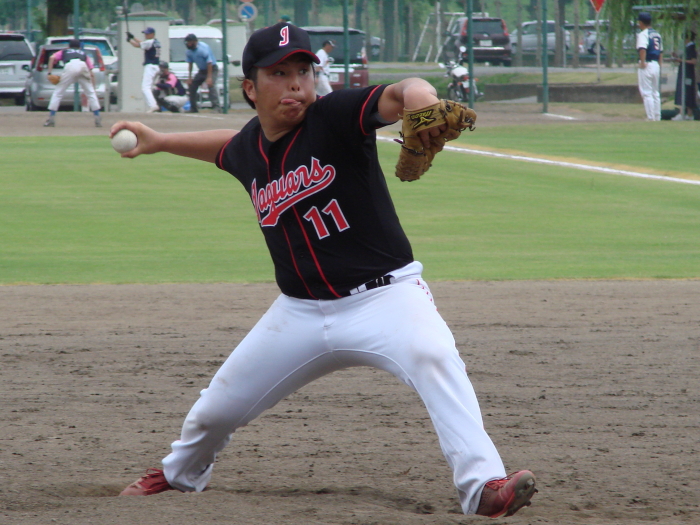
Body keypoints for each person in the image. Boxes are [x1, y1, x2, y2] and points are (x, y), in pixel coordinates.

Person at [111, 22, 536, 518]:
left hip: (386, 299)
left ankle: (484, 486)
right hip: (299, 314)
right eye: (278, 73)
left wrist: (421, 99)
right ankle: (179, 475)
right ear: (250, 88)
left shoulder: (334, 117)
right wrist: (160, 141)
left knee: (434, 355)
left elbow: (401, 92)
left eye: (303, 71)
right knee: (215, 409)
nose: (295, 83)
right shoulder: (248, 149)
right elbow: (225, 146)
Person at [43, 39, 101, 128]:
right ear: (79, 47)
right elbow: (92, 73)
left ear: (69, 46)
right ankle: (97, 118)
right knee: (90, 93)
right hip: (82, 66)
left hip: (70, 66)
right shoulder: (83, 54)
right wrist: (92, 87)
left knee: (58, 93)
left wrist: (49, 73)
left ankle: (51, 119)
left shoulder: (65, 51)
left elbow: (52, 58)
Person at [126, 27, 162, 113]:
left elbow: (137, 45)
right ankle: (154, 105)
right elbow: (143, 43)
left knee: (145, 88)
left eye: (147, 33)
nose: (146, 35)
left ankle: (153, 105)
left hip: (150, 66)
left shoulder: (150, 42)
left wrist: (129, 40)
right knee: (149, 87)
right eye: (145, 33)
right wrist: (133, 37)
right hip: (156, 66)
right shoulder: (156, 42)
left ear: (152, 34)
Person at [636, 11, 663, 121]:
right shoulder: (657, 34)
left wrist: (642, 63)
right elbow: (661, 52)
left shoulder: (643, 34)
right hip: (656, 64)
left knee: (647, 93)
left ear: (641, 22)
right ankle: (657, 116)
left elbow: (642, 49)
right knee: (655, 92)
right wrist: (660, 65)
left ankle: (651, 117)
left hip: (647, 64)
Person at [184, 33, 221, 113]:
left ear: (194, 42)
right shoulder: (189, 52)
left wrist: (209, 77)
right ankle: (193, 108)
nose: (188, 44)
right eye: (187, 42)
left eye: (189, 42)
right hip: (202, 70)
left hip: (212, 69)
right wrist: (190, 78)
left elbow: (209, 63)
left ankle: (216, 107)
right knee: (192, 86)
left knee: (211, 85)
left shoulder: (203, 49)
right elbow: (190, 64)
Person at [670, 31, 697, 120]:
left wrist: (681, 60)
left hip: (688, 73)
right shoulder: (687, 48)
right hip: (685, 72)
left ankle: (684, 113)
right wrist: (677, 57)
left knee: (686, 90)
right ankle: (688, 114)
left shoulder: (691, 47)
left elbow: (693, 61)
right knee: (685, 90)